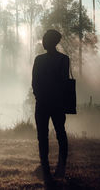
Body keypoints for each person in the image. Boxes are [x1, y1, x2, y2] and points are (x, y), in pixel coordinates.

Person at [32, 29, 69, 188]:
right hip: (55, 102)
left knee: (45, 135)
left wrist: (39, 95)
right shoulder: (63, 59)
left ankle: (49, 166)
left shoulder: (40, 60)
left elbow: (35, 82)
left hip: (44, 102)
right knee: (58, 132)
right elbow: (63, 81)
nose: (44, 41)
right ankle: (56, 166)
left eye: (46, 39)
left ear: (52, 41)